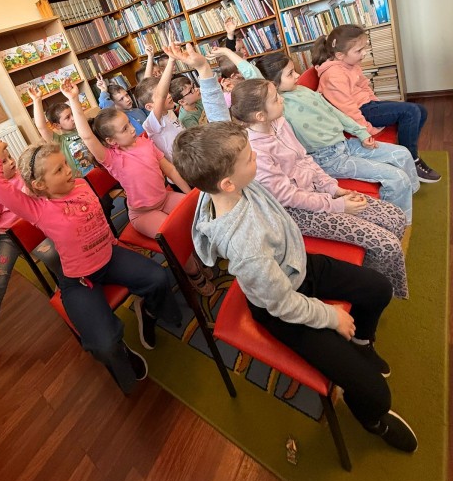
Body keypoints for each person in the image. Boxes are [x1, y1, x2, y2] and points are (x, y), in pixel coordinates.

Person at [171, 120, 418, 453]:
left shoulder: (231, 184)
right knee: (375, 393)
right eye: (250, 158)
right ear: (227, 183)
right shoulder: (247, 246)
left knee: (378, 288)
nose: (256, 157)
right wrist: (330, 316)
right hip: (281, 306)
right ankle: (373, 420)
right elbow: (282, 304)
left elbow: (216, 137)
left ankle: (361, 343)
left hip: (295, 266)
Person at [169, 44, 410, 299]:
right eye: (276, 99)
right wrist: (338, 205)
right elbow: (289, 197)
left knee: (394, 216)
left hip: (317, 193)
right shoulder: (251, 149)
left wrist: (334, 188)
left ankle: (378, 282)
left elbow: (305, 159)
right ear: (260, 115)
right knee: (385, 243)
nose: (282, 99)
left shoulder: (279, 122)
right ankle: (378, 289)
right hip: (299, 211)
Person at [0, 138, 181, 395]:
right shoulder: (37, 209)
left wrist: (116, 244)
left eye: (65, 164)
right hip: (79, 279)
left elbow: (99, 222)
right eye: (59, 170)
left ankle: (149, 312)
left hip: (109, 256)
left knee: (158, 277)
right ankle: (121, 353)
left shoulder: (80, 185)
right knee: (104, 344)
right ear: (40, 185)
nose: (68, 170)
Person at [64, 78, 215, 296]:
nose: (132, 129)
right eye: (125, 129)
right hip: (143, 213)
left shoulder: (145, 143)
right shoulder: (112, 158)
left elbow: (170, 170)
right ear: (112, 141)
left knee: (198, 210)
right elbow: (87, 136)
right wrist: (73, 100)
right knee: (174, 235)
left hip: (164, 198)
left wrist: (189, 194)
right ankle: (194, 274)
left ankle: (198, 255)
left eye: (128, 123)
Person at [252, 51, 419, 226]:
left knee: (403, 153)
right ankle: (399, 224)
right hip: (329, 159)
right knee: (396, 177)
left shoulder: (302, 90)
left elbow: (334, 111)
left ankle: (408, 198)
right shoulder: (279, 108)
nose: (297, 75)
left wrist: (361, 132)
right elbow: (254, 79)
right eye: (290, 73)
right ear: (272, 83)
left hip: (345, 144)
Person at [0, 146, 63, 385]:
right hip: (9, 238)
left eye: (10, 157)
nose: (11, 162)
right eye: (3, 161)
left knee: (54, 255)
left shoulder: (25, 177)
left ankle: (67, 287)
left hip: (34, 226)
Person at [311, 24, 440, 183]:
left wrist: (379, 105)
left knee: (421, 110)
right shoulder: (333, 76)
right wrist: (367, 131)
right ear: (340, 55)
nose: (364, 53)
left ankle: (406, 153)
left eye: (364, 48)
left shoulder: (351, 65)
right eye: (359, 51)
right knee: (411, 111)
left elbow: (365, 87)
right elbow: (347, 110)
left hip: (368, 106)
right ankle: (411, 161)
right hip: (360, 112)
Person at [28, 86, 95, 178]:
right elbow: (42, 127)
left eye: (72, 114)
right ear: (57, 125)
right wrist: (37, 100)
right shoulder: (59, 141)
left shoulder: (84, 128)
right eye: (67, 117)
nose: (73, 118)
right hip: (82, 180)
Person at [135, 53, 183, 161]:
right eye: (164, 94)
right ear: (149, 106)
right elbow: (160, 95)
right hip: (179, 166)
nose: (168, 95)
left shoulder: (169, 110)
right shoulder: (152, 123)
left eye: (167, 92)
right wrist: (171, 60)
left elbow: (148, 82)